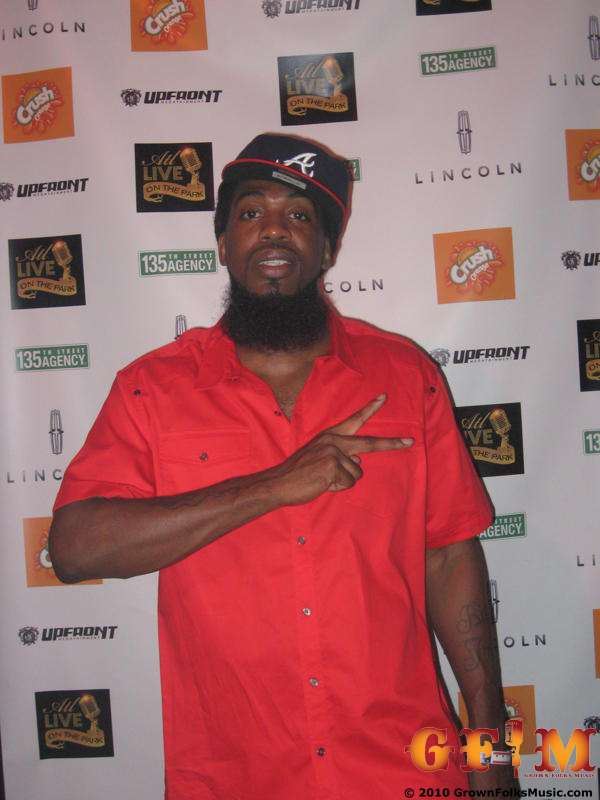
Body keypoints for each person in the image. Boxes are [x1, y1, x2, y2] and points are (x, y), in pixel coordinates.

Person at [49, 133, 517, 799]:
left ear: (327, 249)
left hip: (400, 769)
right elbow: (73, 550)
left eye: (298, 215)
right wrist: (274, 486)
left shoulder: (405, 377)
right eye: (250, 212)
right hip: (236, 776)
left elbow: (449, 557)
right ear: (222, 244)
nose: (273, 229)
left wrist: (490, 744)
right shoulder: (151, 388)